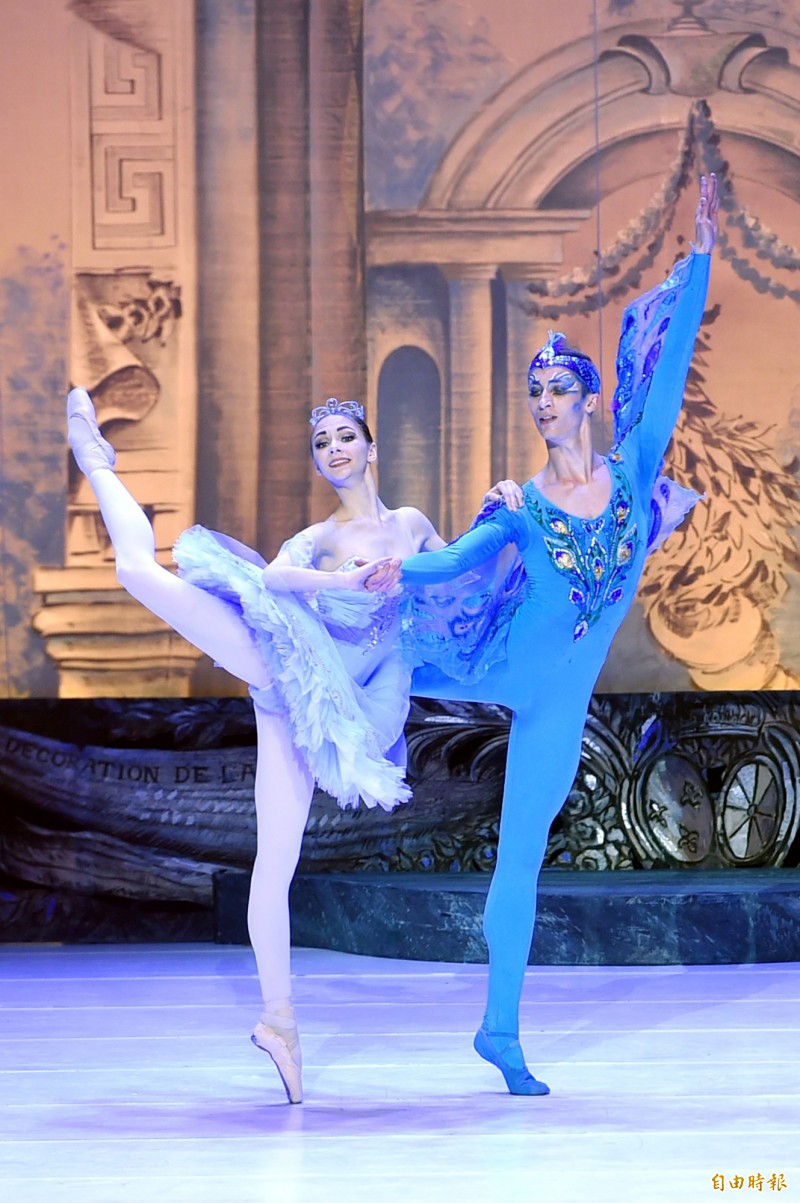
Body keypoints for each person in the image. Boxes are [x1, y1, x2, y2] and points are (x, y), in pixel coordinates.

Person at [394, 174, 719, 1096]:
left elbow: (667, 379)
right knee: (379, 647)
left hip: (556, 707)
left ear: (588, 397)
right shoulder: (521, 504)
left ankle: (499, 1031)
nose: (542, 400)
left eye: (557, 387)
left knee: (520, 857)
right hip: (490, 665)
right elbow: (454, 563)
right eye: (533, 390)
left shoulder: (632, 471)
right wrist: (386, 574)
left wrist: (700, 260)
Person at [66, 392, 445, 1104]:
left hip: (347, 703)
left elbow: (456, 573)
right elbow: (273, 577)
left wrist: (502, 505)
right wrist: (342, 580)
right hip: (288, 670)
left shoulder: (410, 524)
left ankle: (279, 1025)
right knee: (137, 572)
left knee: (278, 861)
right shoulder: (321, 537)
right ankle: (97, 462)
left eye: (345, 437)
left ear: (372, 447)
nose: (334, 449)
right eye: (322, 442)